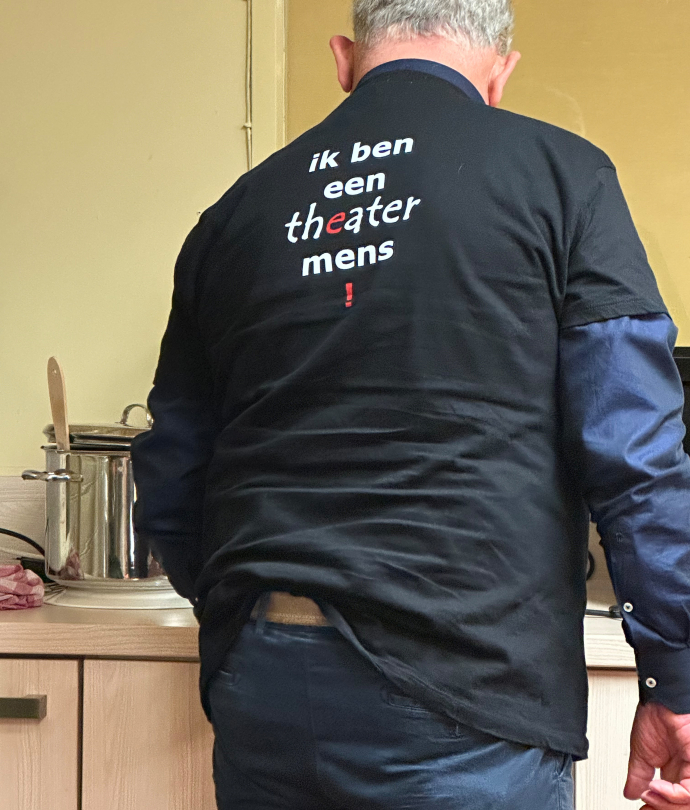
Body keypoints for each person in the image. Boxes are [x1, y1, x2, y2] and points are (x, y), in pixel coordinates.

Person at [130, 1, 690, 807]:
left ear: (343, 59)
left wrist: (239, 610)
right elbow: (633, 453)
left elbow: (172, 471)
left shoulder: (237, 212)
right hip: (466, 684)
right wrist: (674, 671)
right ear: (501, 72)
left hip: (264, 675)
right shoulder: (564, 177)